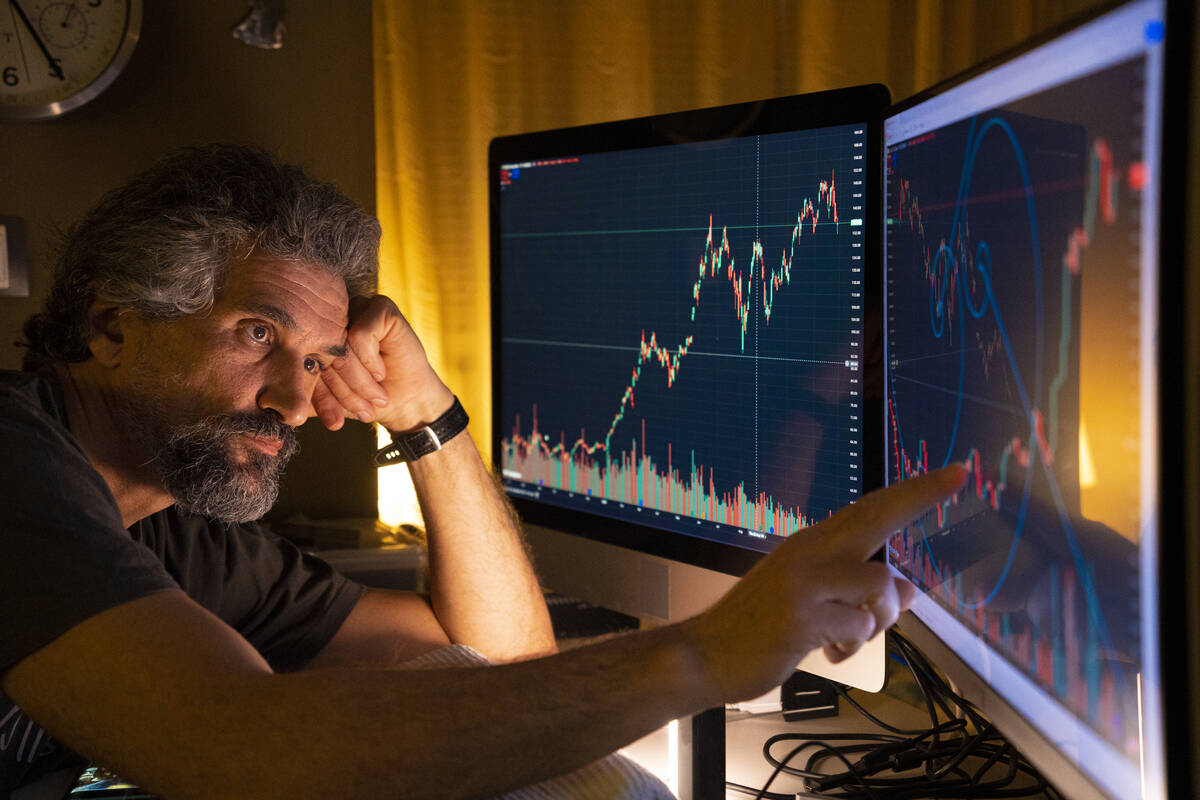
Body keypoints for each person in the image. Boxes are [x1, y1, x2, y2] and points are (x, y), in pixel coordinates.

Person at [0, 144, 966, 799]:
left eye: (320, 358)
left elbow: (495, 659)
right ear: (110, 327)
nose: (296, 402)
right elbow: (235, 744)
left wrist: (426, 416)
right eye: (257, 334)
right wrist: (708, 655)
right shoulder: (16, 466)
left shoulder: (175, 527)